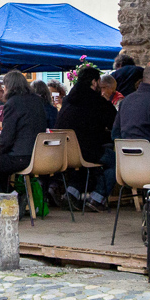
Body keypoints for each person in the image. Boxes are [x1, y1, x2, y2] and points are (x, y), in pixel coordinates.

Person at [0, 71, 49, 194]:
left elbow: (7, 138)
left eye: (4, 86)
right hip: (39, 156)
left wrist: (1, 149)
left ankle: (5, 203)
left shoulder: (12, 103)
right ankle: (13, 196)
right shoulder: (37, 101)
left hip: (20, 157)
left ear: (9, 86)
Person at [56, 66, 118, 208]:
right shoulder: (96, 101)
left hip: (66, 151)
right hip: (88, 151)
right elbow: (114, 122)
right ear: (94, 82)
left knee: (84, 162)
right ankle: (98, 197)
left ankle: (71, 193)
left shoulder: (67, 101)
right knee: (117, 161)